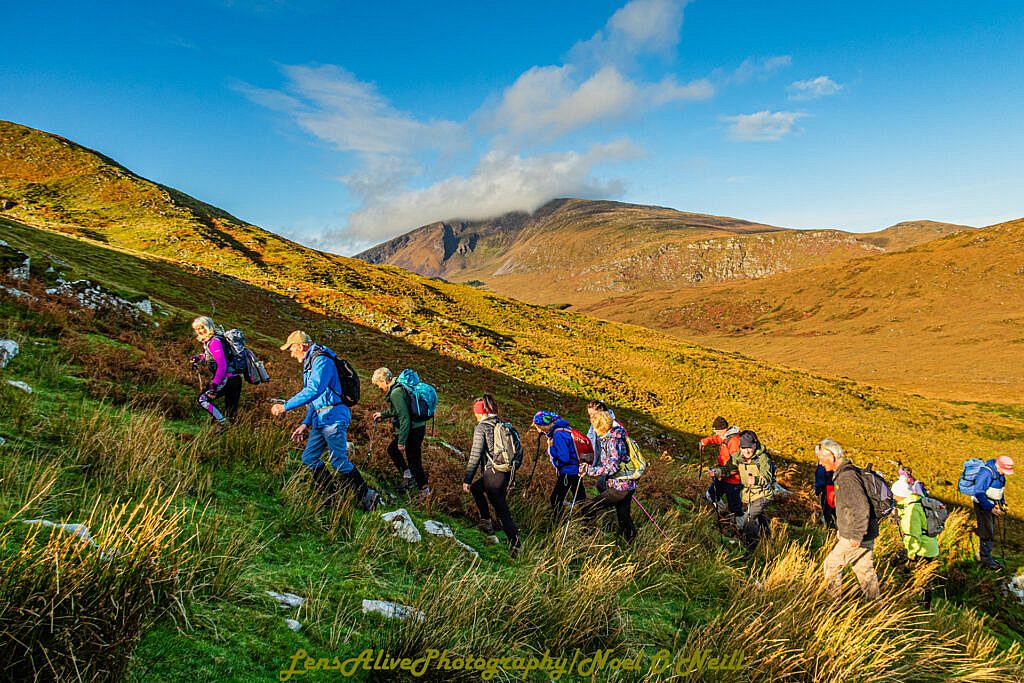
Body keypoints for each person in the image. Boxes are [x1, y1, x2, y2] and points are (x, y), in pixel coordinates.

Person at [270, 331, 378, 511]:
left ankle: (367, 496)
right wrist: (305, 423)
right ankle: (330, 494)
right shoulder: (311, 362)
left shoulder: (321, 360)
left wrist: (285, 406)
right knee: (309, 458)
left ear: (301, 346)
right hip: (321, 418)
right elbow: (316, 399)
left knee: (338, 461)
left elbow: (314, 390)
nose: (290, 353)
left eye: (291, 348)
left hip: (334, 417)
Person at [817, 438, 880, 600]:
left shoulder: (847, 477)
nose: (820, 463)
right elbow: (849, 507)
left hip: (857, 534)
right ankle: (876, 605)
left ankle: (832, 603)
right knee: (864, 569)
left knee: (831, 565)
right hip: (866, 532)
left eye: (822, 459)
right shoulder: (848, 472)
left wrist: (856, 535)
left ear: (831, 457)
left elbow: (861, 506)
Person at [462, 394, 521, 556]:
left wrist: (467, 479)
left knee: (502, 510)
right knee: (477, 488)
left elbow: (475, 455)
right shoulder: (504, 425)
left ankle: (516, 545)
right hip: (505, 472)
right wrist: (512, 477)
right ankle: (486, 522)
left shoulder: (482, 427)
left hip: (493, 474)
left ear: (480, 413)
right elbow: (517, 453)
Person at [371, 367, 430, 500]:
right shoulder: (399, 386)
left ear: (385, 381)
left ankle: (424, 490)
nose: (379, 388)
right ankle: (409, 477)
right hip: (417, 427)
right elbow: (399, 410)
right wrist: (383, 415)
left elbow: (405, 418)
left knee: (413, 459)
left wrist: (402, 441)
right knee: (396, 451)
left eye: (378, 385)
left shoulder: (395, 393)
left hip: (412, 430)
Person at [578, 409, 636, 542]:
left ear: (600, 426)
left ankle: (586, 538)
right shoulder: (613, 437)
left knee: (589, 507)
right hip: (625, 484)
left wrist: (589, 470)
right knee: (623, 517)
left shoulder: (613, 441)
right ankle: (631, 543)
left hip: (620, 487)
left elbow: (613, 467)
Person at [892, 476, 939, 608]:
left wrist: (910, 553)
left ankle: (912, 599)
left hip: (921, 549)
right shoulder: (918, 501)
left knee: (918, 576)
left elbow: (913, 535)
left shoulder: (911, 511)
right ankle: (926, 603)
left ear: (899, 495)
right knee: (925, 577)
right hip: (931, 546)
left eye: (894, 494)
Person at [190, 316, 242, 428]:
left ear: (208, 327)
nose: (200, 331)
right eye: (197, 329)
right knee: (231, 410)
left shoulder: (214, 342)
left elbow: (222, 365)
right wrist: (200, 357)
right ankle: (230, 432)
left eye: (202, 328)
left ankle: (222, 423)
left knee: (202, 399)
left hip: (227, 379)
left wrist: (214, 386)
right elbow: (215, 356)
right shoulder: (218, 338)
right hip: (236, 379)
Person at [531, 411, 585, 521]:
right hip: (576, 470)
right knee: (580, 498)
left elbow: (564, 458)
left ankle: (557, 523)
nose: (539, 430)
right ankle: (588, 521)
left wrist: (551, 448)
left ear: (544, 424)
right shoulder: (565, 428)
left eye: (539, 427)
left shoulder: (558, 435)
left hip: (568, 472)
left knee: (555, 499)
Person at [730, 430, 775, 556]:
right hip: (750, 495)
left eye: (749, 447)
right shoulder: (738, 457)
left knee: (749, 519)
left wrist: (756, 479)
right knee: (761, 517)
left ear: (755, 445)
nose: (746, 451)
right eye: (743, 448)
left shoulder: (763, 458)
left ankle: (751, 549)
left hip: (763, 495)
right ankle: (768, 540)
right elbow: (728, 467)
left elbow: (767, 477)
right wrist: (718, 471)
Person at [970, 456, 1014, 570]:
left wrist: (1002, 503)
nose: (1004, 473)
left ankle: (987, 557)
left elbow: (1000, 490)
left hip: (992, 505)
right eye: (1004, 470)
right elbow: (978, 492)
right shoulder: (986, 473)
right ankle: (986, 561)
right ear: (998, 465)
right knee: (987, 532)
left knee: (990, 530)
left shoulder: (1000, 474)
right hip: (983, 505)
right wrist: (990, 507)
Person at [701, 416, 743, 519]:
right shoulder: (725, 437)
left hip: (734, 480)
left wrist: (719, 472)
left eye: (717, 431)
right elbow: (716, 438)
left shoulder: (734, 441)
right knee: (711, 495)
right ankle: (721, 514)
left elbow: (736, 465)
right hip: (723, 476)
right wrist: (704, 441)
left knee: (735, 509)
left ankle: (742, 529)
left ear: (723, 429)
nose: (716, 434)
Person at [586, 400, 624, 492]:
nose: (591, 417)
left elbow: (614, 460)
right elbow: (590, 441)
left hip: (613, 468)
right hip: (603, 465)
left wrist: (592, 470)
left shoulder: (614, 430)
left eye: (593, 414)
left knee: (602, 485)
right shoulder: (595, 424)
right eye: (589, 414)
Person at [814, 464, 837, 529]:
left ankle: (831, 531)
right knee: (837, 513)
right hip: (838, 489)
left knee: (827, 513)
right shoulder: (836, 461)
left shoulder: (823, 463)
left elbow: (820, 477)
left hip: (828, 490)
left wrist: (817, 492)